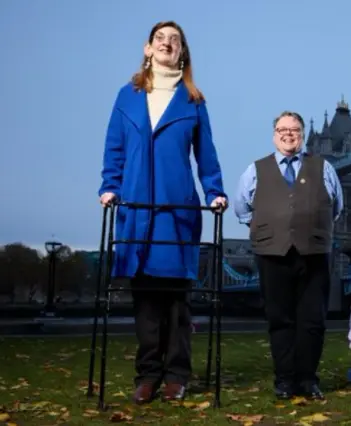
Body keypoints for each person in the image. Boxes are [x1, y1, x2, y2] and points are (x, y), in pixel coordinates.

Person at [98, 21, 228, 405]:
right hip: (137, 209)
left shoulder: (194, 101)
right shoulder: (127, 96)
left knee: (176, 300)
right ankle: (148, 374)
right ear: (148, 48)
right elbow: (114, 148)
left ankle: (176, 375)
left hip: (177, 210)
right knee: (146, 301)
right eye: (161, 39)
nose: (167, 43)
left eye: (175, 40)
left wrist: (215, 191)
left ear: (182, 52)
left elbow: (207, 154)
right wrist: (110, 185)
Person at [234, 111, 344, 400]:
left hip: (315, 253)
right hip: (272, 254)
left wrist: (310, 226)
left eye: (294, 129)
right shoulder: (254, 170)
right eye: (282, 129)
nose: (288, 134)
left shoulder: (324, 168)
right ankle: (284, 381)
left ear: (302, 134)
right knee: (280, 319)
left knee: (312, 320)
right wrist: (272, 226)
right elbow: (242, 209)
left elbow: (336, 207)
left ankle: (308, 380)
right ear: (274, 135)